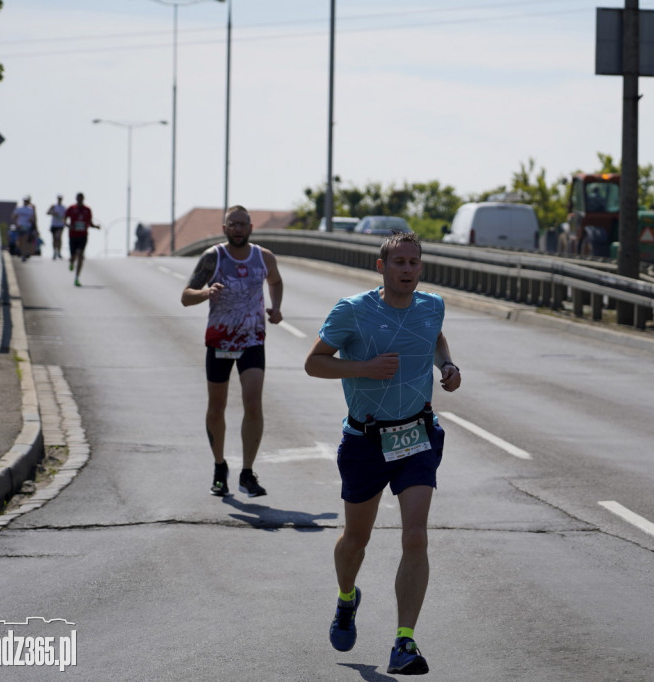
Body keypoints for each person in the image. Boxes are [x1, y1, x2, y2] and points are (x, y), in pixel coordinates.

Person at [304, 231, 461, 676]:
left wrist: (446, 366)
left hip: (416, 435)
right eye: (399, 263)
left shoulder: (432, 305)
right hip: (365, 440)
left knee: (415, 535)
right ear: (381, 267)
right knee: (357, 540)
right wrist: (363, 369)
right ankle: (347, 597)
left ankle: (404, 642)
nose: (407, 270)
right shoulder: (352, 311)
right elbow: (314, 362)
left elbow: (434, 337)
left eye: (414, 262)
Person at [181, 205, 284, 499]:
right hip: (220, 341)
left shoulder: (264, 257)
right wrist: (205, 293)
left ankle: (248, 473)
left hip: (252, 341)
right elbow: (185, 297)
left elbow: (275, 281)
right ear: (224, 228)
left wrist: (276, 308)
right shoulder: (213, 257)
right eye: (232, 224)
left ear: (251, 227)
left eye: (242, 224)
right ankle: (219, 467)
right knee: (217, 406)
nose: (237, 229)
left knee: (253, 404)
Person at [64, 192, 99, 287]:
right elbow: (64, 219)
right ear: (76, 199)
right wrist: (68, 225)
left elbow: (90, 223)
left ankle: (77, 277)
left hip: (83, 235)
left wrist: (96, 227)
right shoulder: (71, 208)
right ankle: (71, 262)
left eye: (81, 198)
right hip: (73, 235)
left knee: (80, 254)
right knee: (73, 256)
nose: (79, 200)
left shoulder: (87, 210)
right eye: (78, 198)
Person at [11, 196, 37, 262]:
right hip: (20, 226)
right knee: (20, 240)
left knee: (25, 240)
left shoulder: (30, 209)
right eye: (25, 201)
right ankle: (20, 250)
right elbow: (14, 216)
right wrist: (16, 224)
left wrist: (34, 225)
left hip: (27, 226)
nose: (26, 202)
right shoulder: (19, 208)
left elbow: (33, 218)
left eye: (27, 201)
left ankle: (24, 254)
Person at [47, 194, 67, 260]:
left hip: (60, 225)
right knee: (54, 239)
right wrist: (53, 212)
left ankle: (59, 252)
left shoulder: (63, 207)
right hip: (54, 225)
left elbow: (65, 216)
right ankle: (54, 252)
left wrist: (65, 223)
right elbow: (48, 212)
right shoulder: (53, 206)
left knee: (58, 237)